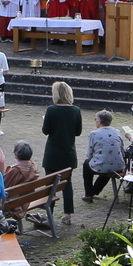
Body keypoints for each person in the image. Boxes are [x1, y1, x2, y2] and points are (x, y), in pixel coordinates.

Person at [41, 81, 82, 218]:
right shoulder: (76, 110)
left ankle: (49, 213)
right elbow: (78, 132)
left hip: (52, 153)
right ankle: (67, 213)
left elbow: (45, 130)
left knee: (50, 185)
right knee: (67, 184)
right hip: (68, 152)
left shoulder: (51, 110)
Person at [82, 113, 127, 202]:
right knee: (108, 162)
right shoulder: (117, 131)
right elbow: (122, 149)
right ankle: (95, 191)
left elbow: (90, 153)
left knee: (87, 165)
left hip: (104, 165)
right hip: (118, 165)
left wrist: (92, 158)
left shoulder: (94, 133)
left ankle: (88, 194)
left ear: (99, 122)